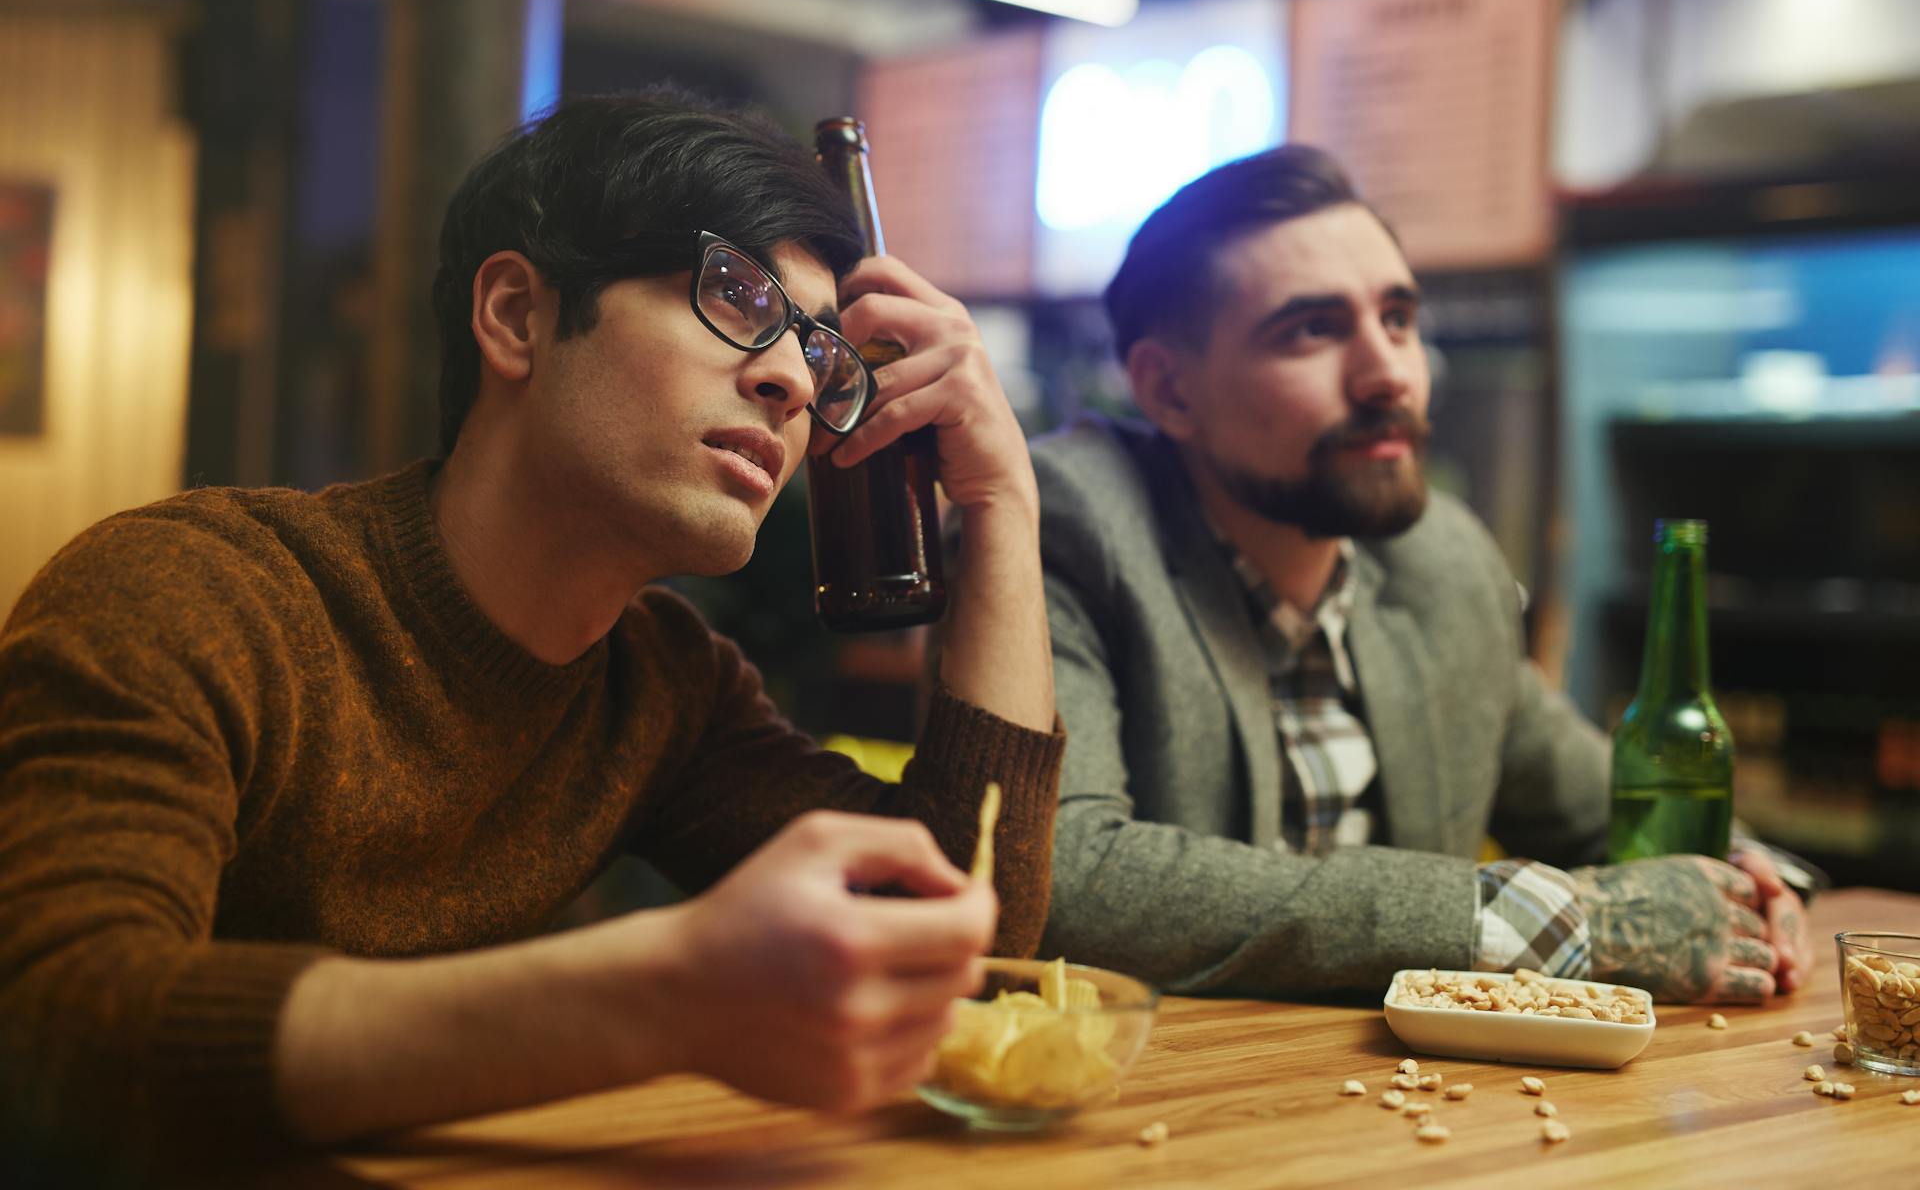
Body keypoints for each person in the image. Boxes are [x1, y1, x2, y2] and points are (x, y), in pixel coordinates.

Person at [0, 90, 1061, 1181]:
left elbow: (964, 930)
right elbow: (55, 1027)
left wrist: (1006, 504)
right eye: (738, 296)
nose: (793, 381)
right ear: (516, 316)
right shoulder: (195, 596)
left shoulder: (660, 686)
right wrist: (663, 990)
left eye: (822, 353)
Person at [1031, 145, 1806, 1006]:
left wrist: (1745, 881)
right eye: (1313, 330)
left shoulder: (1443, 560)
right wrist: (1553, 923)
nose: (1388, 374)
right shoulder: (1071, 522)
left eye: (1398, 319)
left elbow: (1602, 810)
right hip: (1170, 1113)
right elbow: (1065, 878)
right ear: (1169, 392)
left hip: (1424, 1114)